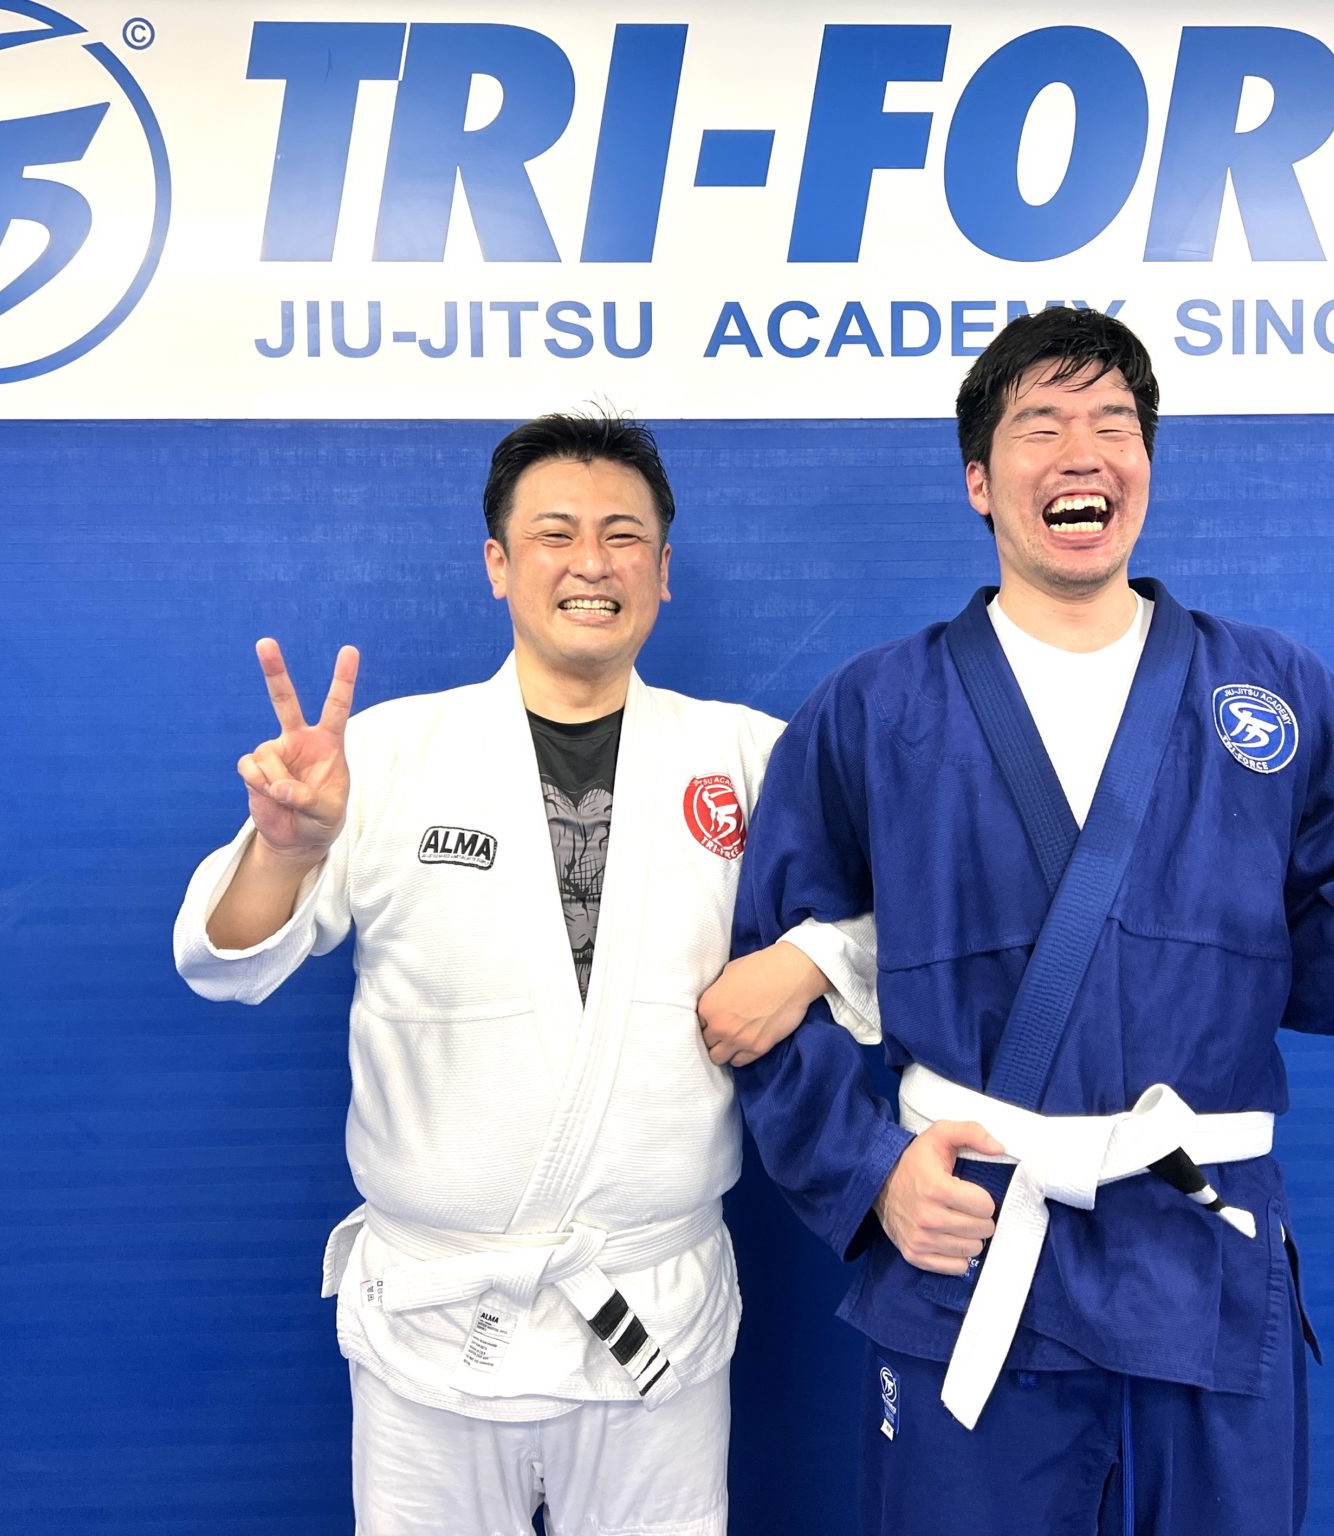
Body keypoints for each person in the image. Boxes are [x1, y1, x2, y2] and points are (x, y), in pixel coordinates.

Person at [701, 308, 1334, 1534]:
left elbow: (1325, 981)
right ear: (979, 481)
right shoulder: (872, 711)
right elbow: (765, 990)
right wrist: (870, 1179)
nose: (1081, 452)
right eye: (1040, 427)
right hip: (971, 1248)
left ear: (1146, 465)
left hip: (1198, 1262)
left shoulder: (1271, 693)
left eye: (1112, 426)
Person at [173, 412, 873, 1536]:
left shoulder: (749, 754)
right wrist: (289, 850)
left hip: (651, 1308)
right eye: (554, 534)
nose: (591, 563)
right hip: (436, 1325)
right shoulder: (388, 754)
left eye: (622, 536)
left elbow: (903, 913)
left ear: (663, 571)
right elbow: (223, 962)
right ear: (498, 563)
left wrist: (805, 959)